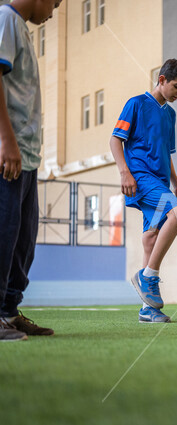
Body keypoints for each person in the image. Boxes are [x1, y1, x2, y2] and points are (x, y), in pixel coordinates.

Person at [109, 59, 177, 323]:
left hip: (161, 181)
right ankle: (148, 276)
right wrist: (124, 172)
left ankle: (148, 309)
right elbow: (115, 140)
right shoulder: (136, 104)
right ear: (162, 80)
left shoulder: (170, 114)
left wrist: (176, 182)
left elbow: (167, 153)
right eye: (176, 86)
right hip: (140, 179)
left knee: (151, 239)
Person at [0, 0, 61, 342]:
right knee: (3, 235)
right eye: (54, 2)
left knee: (22, 240)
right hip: (8, 155)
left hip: (27, 158)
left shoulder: (20, 26)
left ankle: (8, 311)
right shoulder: (6, 18)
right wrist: (6, 140)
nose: (53, 10)